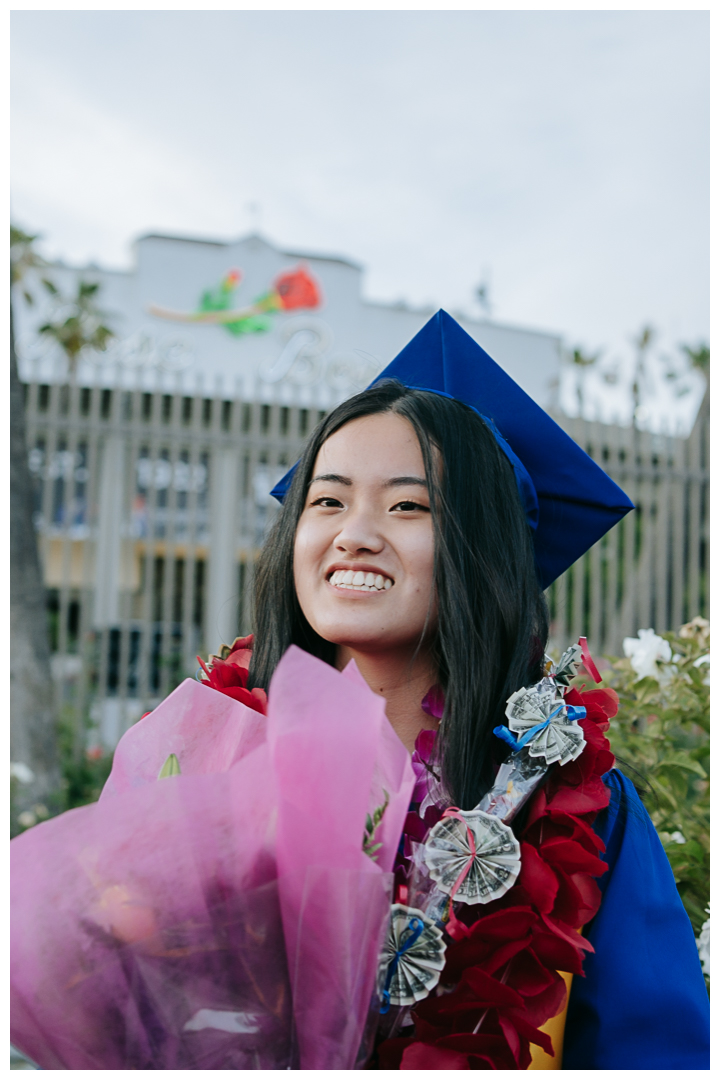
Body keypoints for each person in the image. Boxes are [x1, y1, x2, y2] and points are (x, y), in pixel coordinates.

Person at [11, 312, 709, 1070]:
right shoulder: (201, 763)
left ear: (487, 549)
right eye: (328, 500)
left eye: (407, 506)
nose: (354, 533)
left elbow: (656, 1052)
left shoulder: (578, 809)